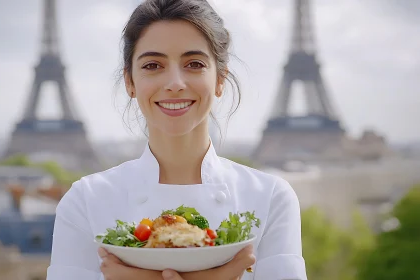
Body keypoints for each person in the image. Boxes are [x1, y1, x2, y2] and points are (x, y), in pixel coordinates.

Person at [46, 0, 307, 279]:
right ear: (129, 82)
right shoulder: (85, 201)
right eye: (153, 65)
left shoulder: (271, 199)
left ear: (220, 79)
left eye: (194, 64)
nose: (175, 82)